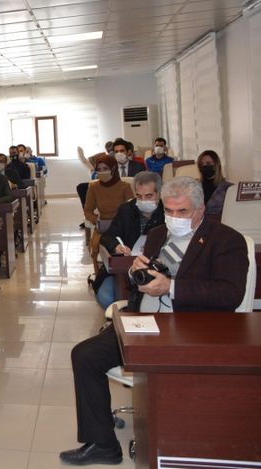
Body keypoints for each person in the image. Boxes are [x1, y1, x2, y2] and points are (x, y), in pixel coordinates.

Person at [60, 177, 248, 466]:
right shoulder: (159, 234)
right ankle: (103, 444)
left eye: (182, 211)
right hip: (144, 321)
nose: (174, 217)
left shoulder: (226, 240)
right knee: (85, 355)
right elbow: (142, 281)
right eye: (169, 210)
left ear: (200, 210)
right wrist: (136, 271)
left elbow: (230, 294)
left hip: (189, 327)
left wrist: (171, 287)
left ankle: (171, 433)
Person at [94, 172, 164, 309]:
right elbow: (107, 236)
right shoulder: (126, 210)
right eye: (139, 196)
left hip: (157, 270)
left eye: (149, 196)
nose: (143, 200)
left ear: (159, 194)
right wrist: (116, 246)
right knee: (107, 298)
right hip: (124, 269)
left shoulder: (168, 211)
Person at [83, 154, 134, 274]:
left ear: (113, 168)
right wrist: (96, 220)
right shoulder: (93, 187)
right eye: (99, 169)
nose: (102, 172)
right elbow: (88, 210)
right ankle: (100, 274)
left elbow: (131, 209)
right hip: (103, 226)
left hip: (122, 226)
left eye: (105, 169)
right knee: (95, 246)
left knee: (125, 248)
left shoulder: (125, 187)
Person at [197, 150, 233, 217]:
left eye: (208, 163)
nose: (204, 166)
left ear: (216, 165)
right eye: (201, 164)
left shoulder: (228, 188)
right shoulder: (194, 186)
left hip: (218, 222)